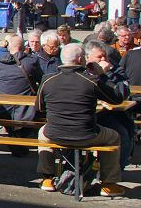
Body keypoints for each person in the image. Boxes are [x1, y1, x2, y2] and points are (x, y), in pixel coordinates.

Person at [35, 43, 124, 196]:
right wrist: (102, 74)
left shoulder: (47, 80)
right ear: (81, 59)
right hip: (86, 135)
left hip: (55, 132)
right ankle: (108, 183)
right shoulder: (91, 80)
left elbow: (39, 108)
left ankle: (47, 178)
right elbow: (116, 99)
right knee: (114, 136)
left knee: (43, 133)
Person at [85, 40, 134, 171]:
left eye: (104, 56)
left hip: (109, 115)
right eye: (99, 57)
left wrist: (106, 74)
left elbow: (122, 93)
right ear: (87, 58)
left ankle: (115, 172)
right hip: (84, 115)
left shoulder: (115, 69)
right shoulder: (82, 71)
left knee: (122, 133)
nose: (103, 59)